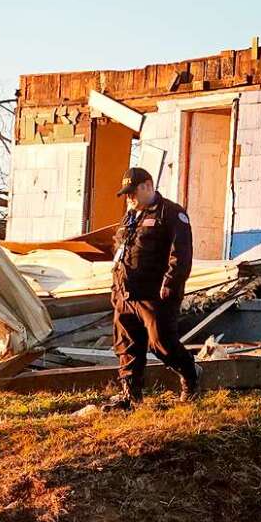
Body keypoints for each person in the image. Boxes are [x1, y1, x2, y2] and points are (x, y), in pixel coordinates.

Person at [104, 167, 202, 411]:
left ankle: (191, 374)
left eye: (133, 192)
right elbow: (121, 251)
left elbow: (181, 255)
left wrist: (170, 285)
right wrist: (116, 287)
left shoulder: (171, 213)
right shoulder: (130, 217)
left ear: (148, 186)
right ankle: (130, 397)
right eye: (126, 194)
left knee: (162, 344)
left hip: (154, 296)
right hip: (126, 294)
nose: (129, 198)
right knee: (127, 346)